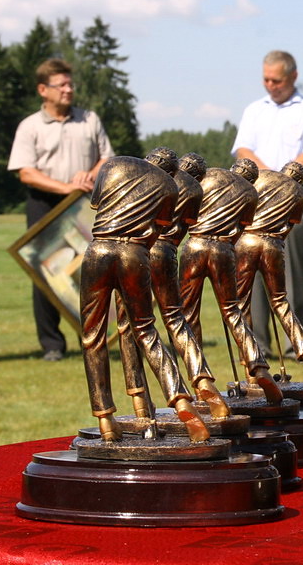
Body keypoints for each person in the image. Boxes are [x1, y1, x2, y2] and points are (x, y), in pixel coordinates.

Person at [79, 155, 208, 442]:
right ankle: (181, 401)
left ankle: (105, 419)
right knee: (146, 330)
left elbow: (97, 204)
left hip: (98, 251)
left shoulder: (113, 164)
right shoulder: (169, 186)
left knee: (93, 336)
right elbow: (158, 229)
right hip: (136, 254)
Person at [7, 58, 114, 361]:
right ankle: (52, 344)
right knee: (45, 273)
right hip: (44, 205)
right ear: (43, 90)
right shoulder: (30, 126)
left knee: (91, 273)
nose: (68, 89)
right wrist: (64, 187)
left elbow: (107, 158)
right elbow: (26, 172)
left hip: (85, 206)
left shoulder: (89, 119)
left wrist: (90, 176)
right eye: (61, 85)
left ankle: (92, 339)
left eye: (70, 83)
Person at [231, 50, 303, 360]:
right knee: (254, 264)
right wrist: (265, 175)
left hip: (294, 195)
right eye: (266, 79)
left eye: (277, 80)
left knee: (293, 268)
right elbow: (242, 149)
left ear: (293, 77)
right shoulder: (254, 110)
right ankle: (259, 342)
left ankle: (295, 344)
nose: (270, 85)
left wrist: (282, 179)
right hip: (257, 194)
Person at [178, 158, 283, 406]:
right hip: (224, 248)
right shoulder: (250, 192)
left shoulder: (208, 176)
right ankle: (258, 368)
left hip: (195, 245)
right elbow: (240, 230)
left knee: (189, 313)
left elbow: (188, 218)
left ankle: (200, 379)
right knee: (233, 311)